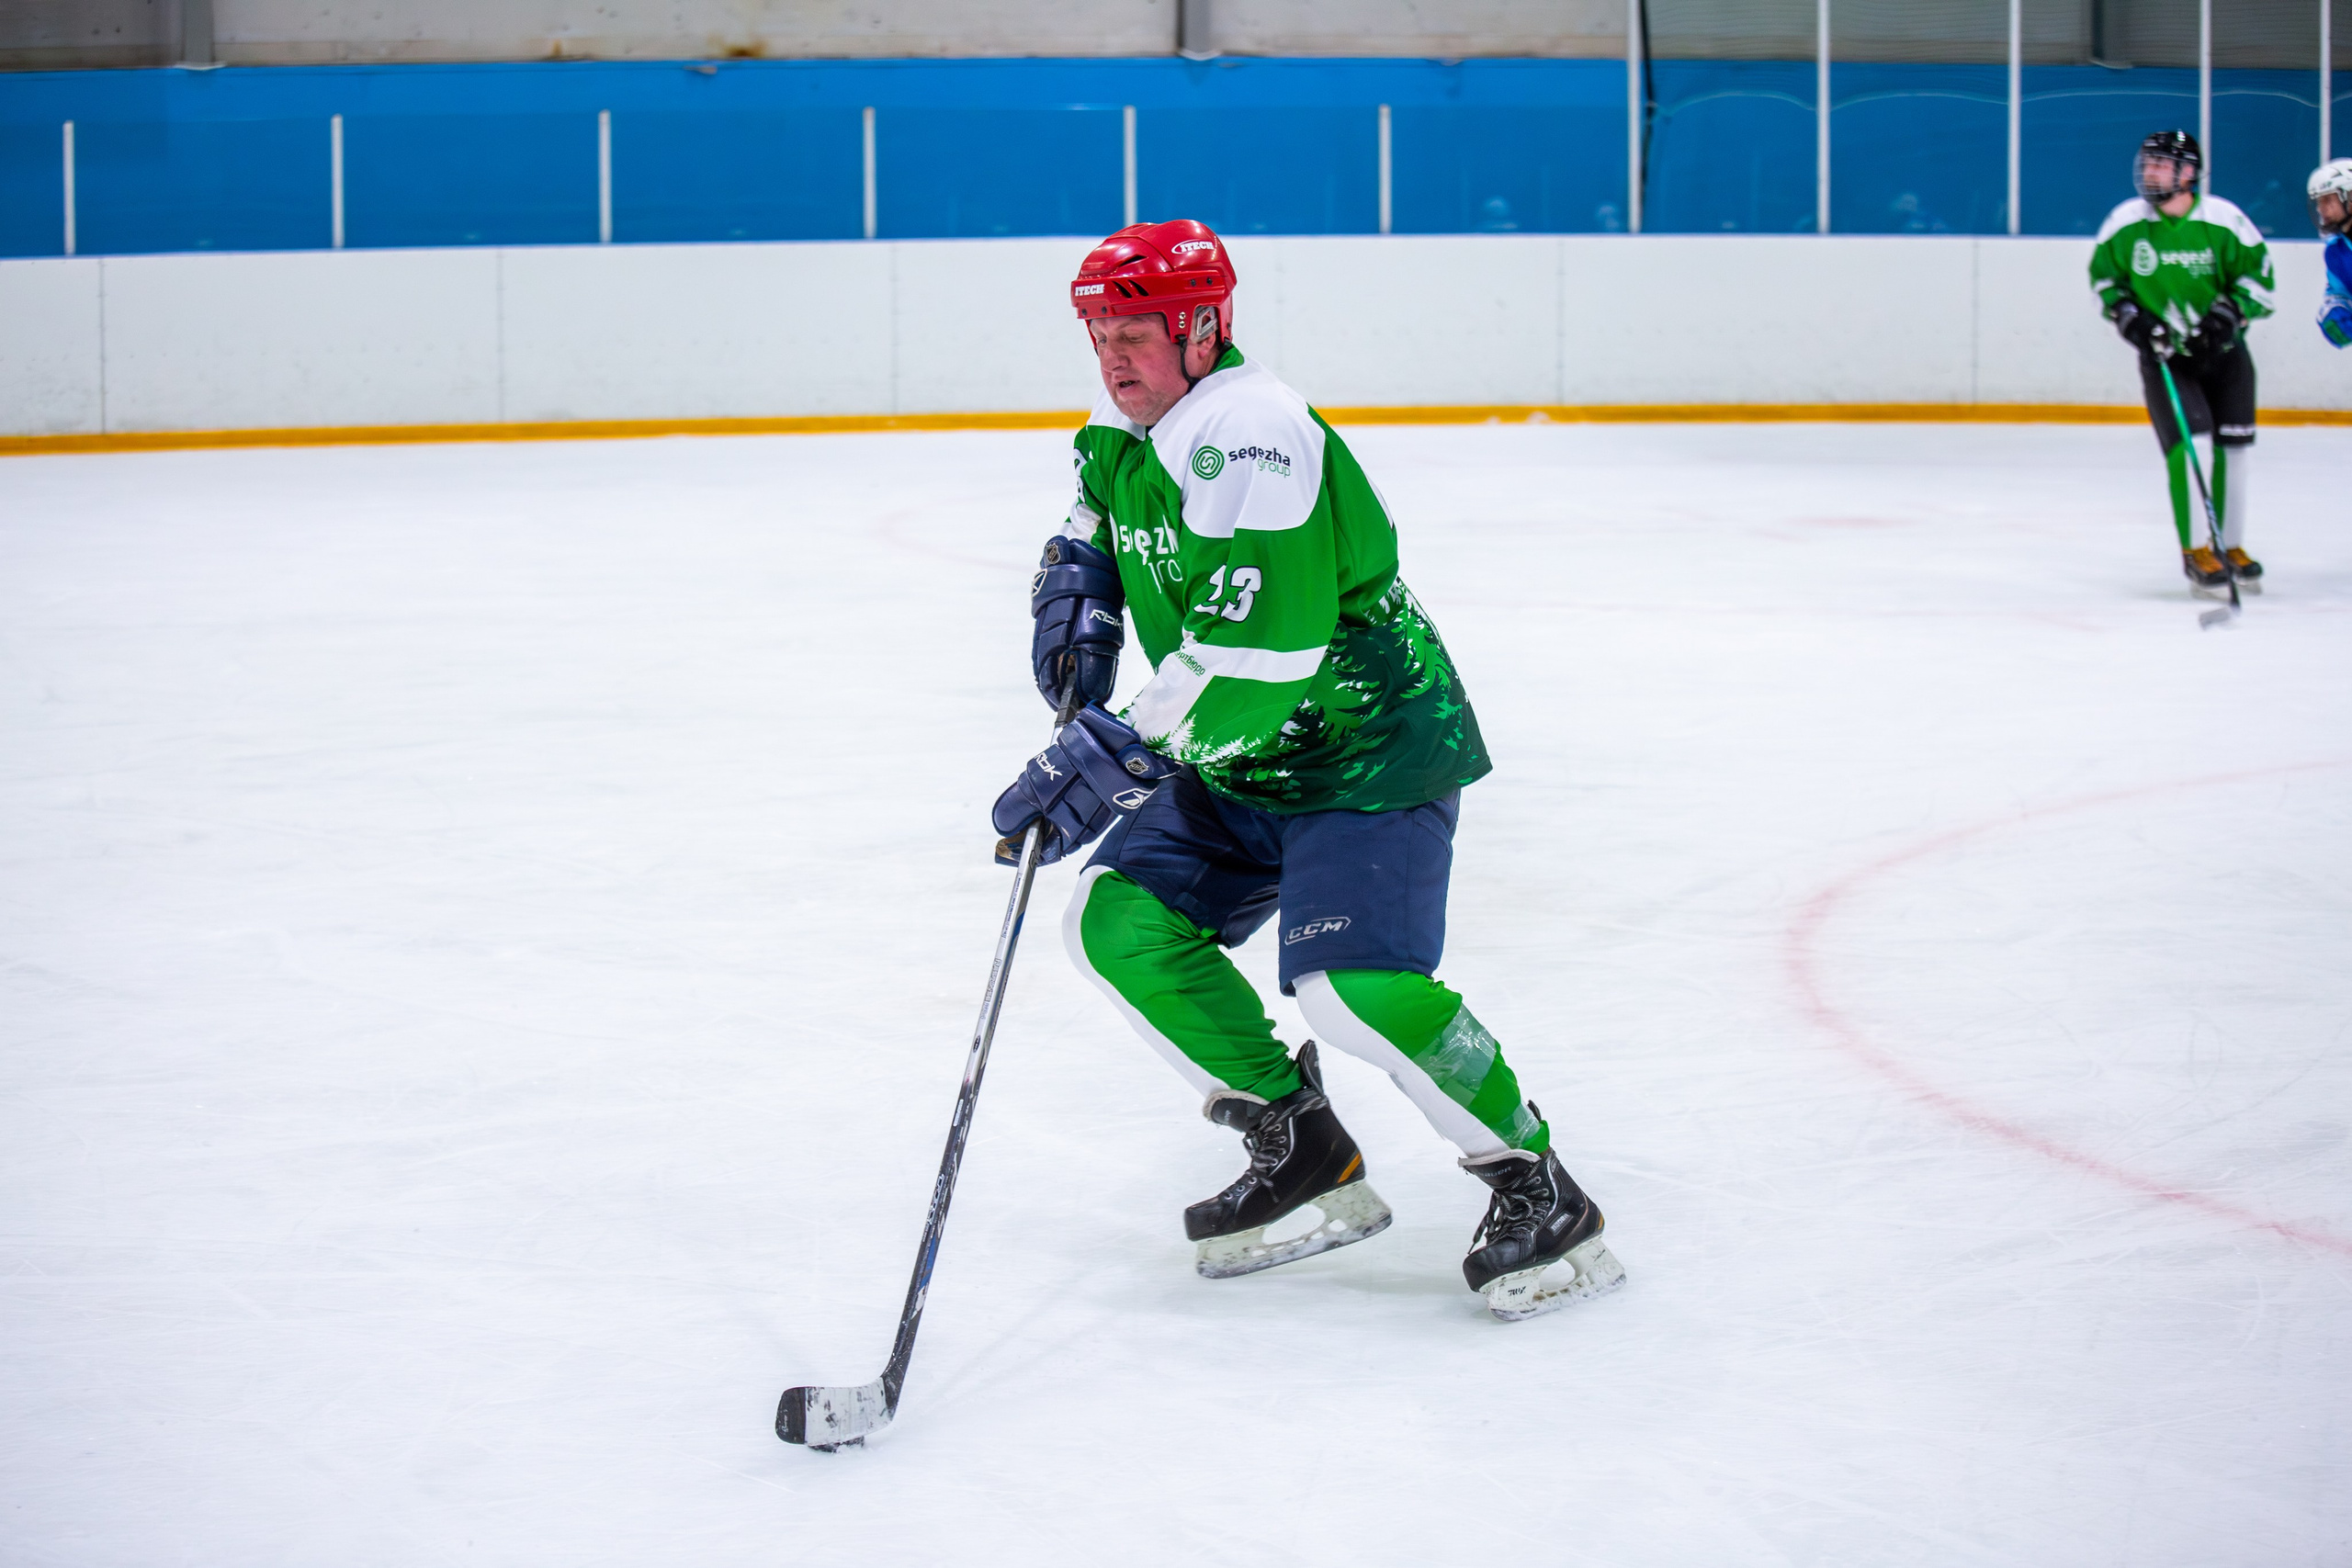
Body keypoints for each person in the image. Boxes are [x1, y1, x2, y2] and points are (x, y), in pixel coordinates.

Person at [988, 219, 1625, 1322]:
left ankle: (1536, 1183)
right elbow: (1094, 511)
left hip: (1364, 747)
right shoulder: (1129, 414)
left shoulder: (1251, 432)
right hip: (1241, 750)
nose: (1114, 359)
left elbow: (1262, 654)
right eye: (1099, 334)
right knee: (1119, 922)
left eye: (1136, 333)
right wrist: (1077, 584)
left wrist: (1118, 753)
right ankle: (1299, 1144)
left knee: (1351, 991)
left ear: (1204, 329)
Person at [2088, 130, 2275, 596]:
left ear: (2188, 172)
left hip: (2227, 358)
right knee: (2191, 445)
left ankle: (2230, 546)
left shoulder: (2225, 219)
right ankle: (2196, 551)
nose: (2148, 171)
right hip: (2167, 362)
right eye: (2147, 163)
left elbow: (2261, 281)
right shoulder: (2126, 223)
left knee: (2234, 451)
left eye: (2160, 164)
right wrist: (2130, 319)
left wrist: (2227, 316)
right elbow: (2104, 282)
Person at [2310, 159, 2352, 349]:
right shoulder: (2335, 250)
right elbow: (2338, 291)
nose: (2320, 209)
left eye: (2327, 199)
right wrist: (2335, 309)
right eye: (2318, 202)